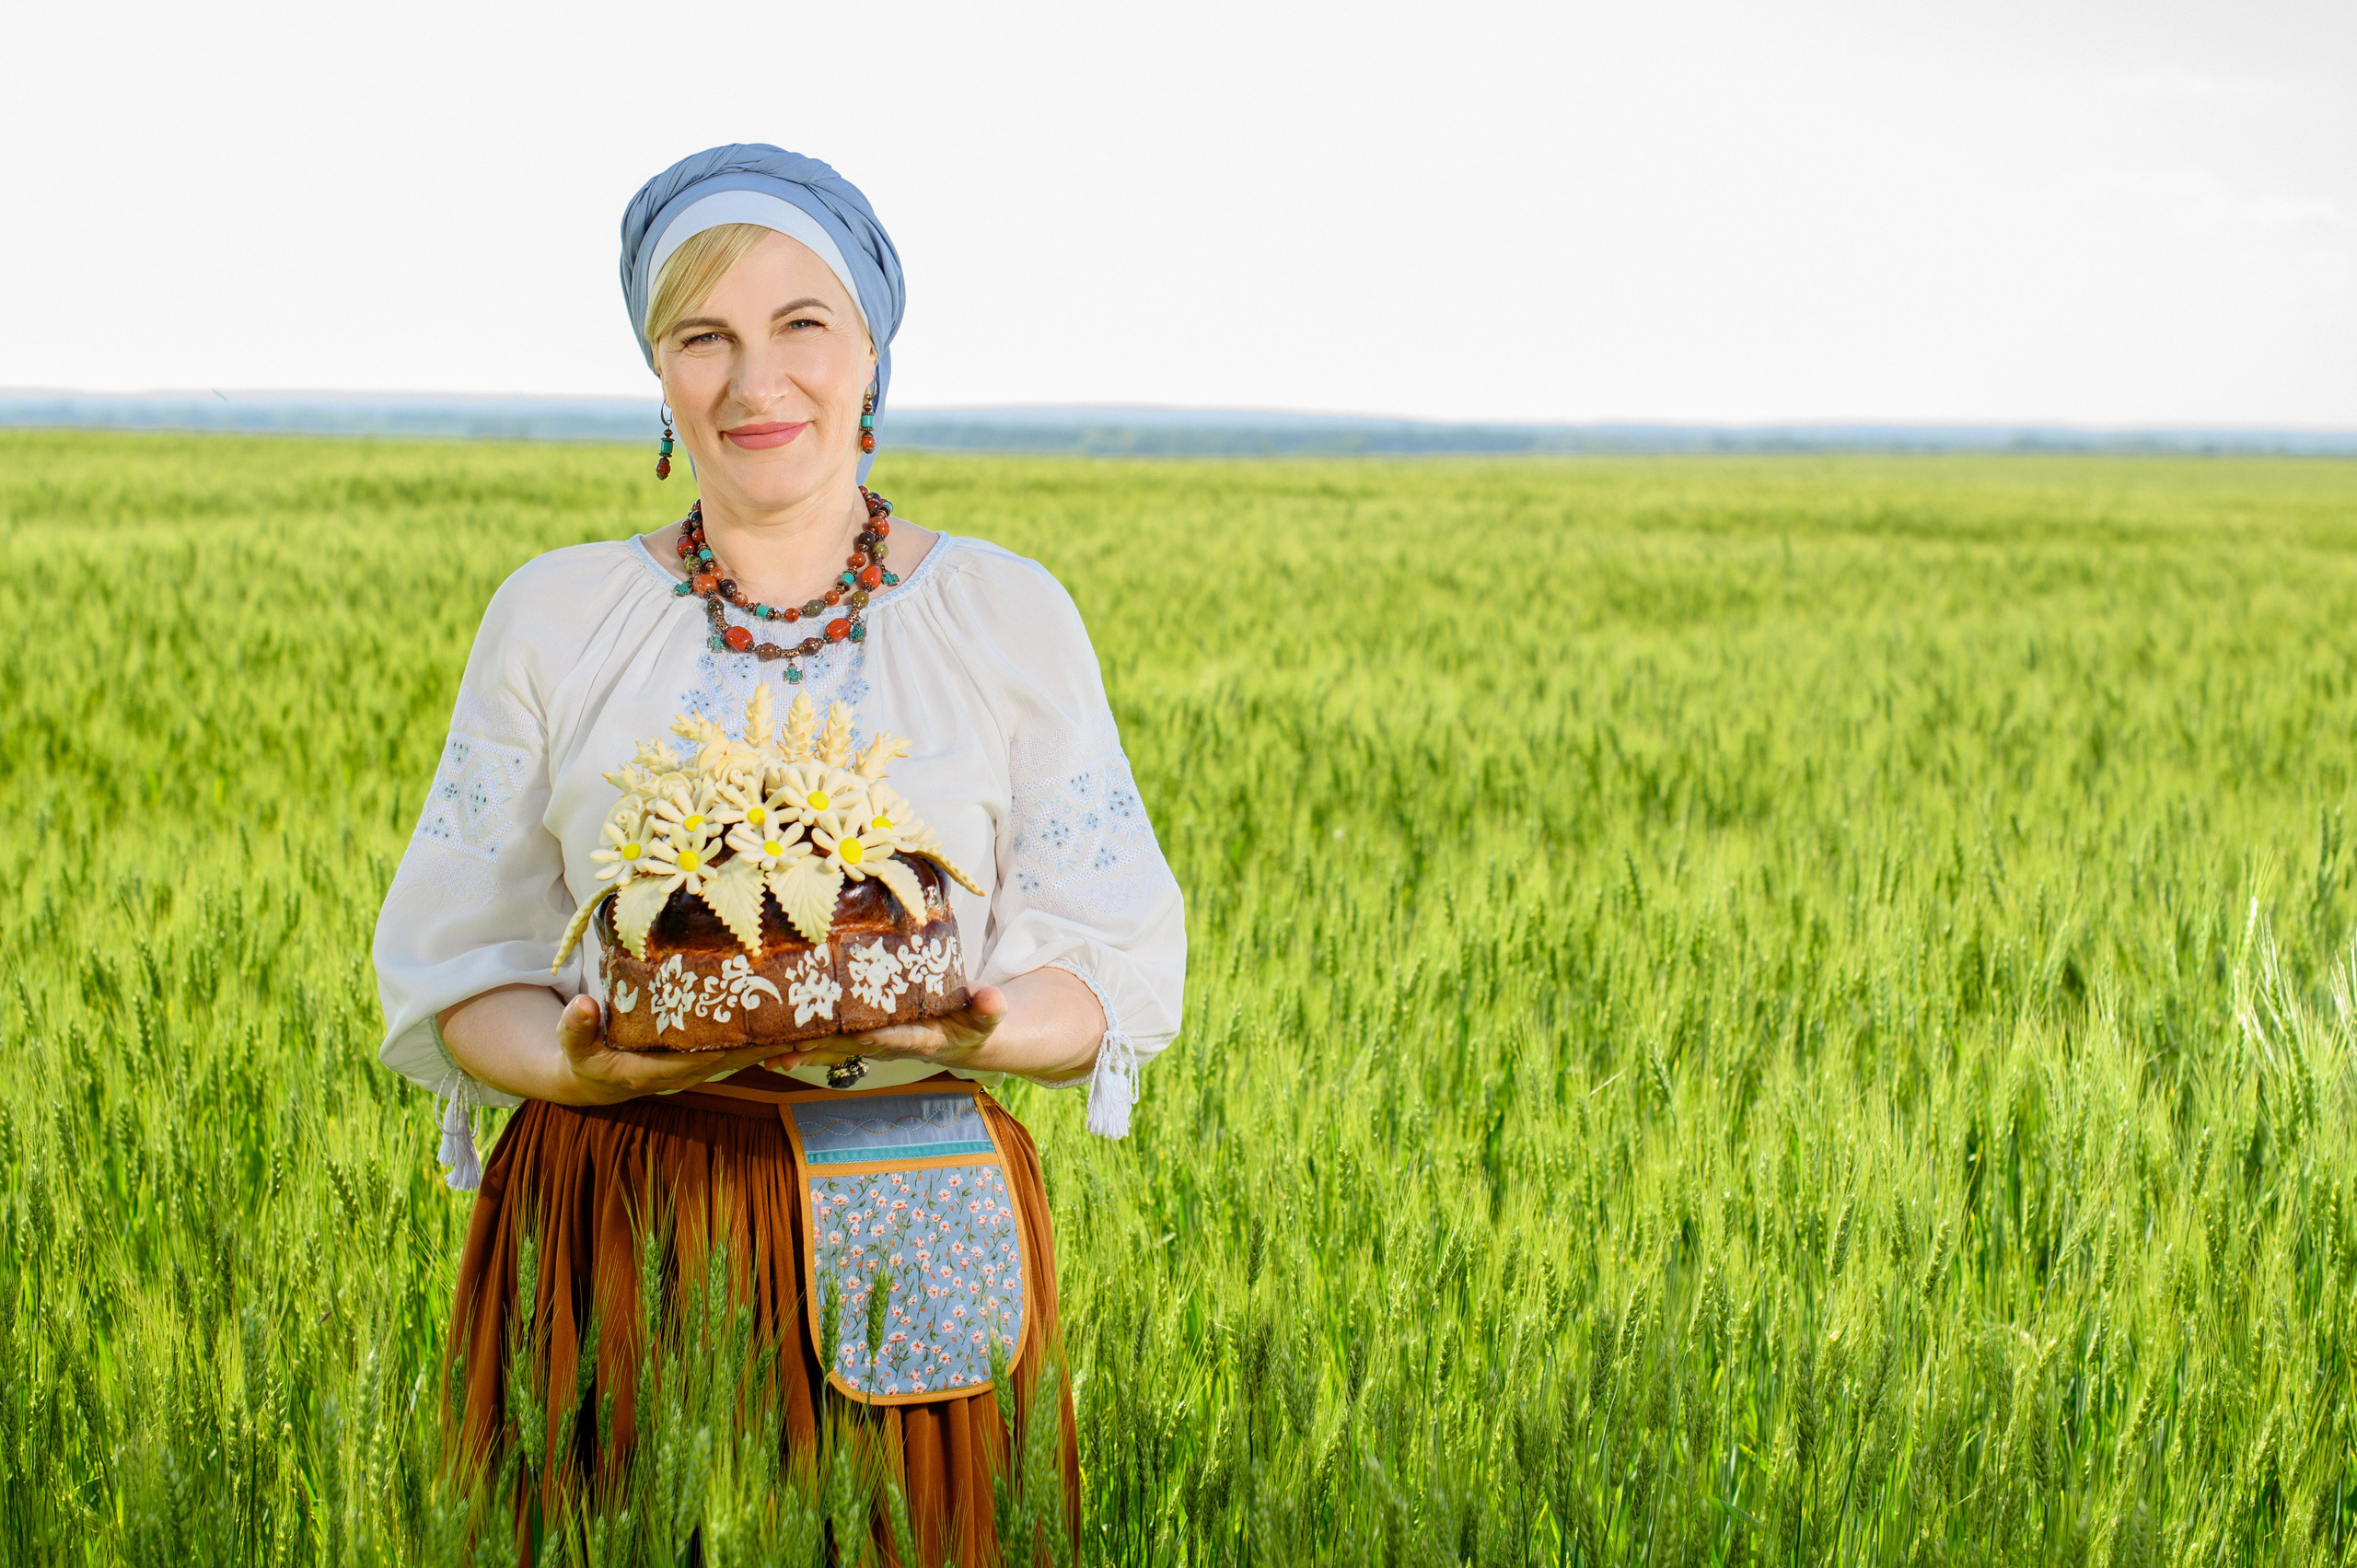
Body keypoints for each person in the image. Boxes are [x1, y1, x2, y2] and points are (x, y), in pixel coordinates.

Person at [370, 143, 1185, 1562]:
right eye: (704, 338)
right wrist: (576, 1062)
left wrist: (988, 1029)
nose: (757, 385)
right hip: (618, 1208)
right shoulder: (555, 616)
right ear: (658, 373)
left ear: (874, 354)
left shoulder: (1005, 614)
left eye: (803, 325)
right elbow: (462, 968)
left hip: (918, 1196)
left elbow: (1112, 964)